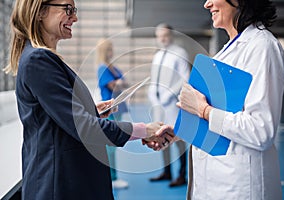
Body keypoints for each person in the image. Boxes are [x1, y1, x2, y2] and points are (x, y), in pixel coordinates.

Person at [3, 0, 169, 199]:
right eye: (68, 10)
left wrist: (91, 110)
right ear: (40, 11)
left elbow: (57, 118)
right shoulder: (39, 61)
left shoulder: (40, 58)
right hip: (59, 184)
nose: (75, 17)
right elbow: (84, 128)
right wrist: (145, 130)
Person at [150, 0, 284, 199]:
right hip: (213, 184)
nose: (207, 4)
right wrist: (182, 131)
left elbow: (261, 131)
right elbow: (224, 115)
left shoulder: (262, 47)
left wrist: (203, 111)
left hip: (239, 186)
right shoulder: (225, 53)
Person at [148, 23, 190, 187]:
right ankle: (167, 172)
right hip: (158, 104)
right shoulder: (158, 55)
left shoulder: (179, 53)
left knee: (178, 137)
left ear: (171, 35)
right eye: (159, 36)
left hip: (172, 103)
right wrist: (153, 94)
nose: (162, 39)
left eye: (165, 35)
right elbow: (154, 78)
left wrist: (169, 93)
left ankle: (181, 175)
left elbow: (184, 77)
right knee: (160, 135)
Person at [96, 38, 129, 189]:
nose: (111, 52)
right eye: (108, 49)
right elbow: (114, 84)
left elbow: (124, 83)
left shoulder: (112, 68)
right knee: (110, 145)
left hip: (118, 108)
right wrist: (119, 83)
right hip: (108, 110)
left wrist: (119, 83)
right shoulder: (103, 68)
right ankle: (112, 178)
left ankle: (112, 176)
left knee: (113, 145)